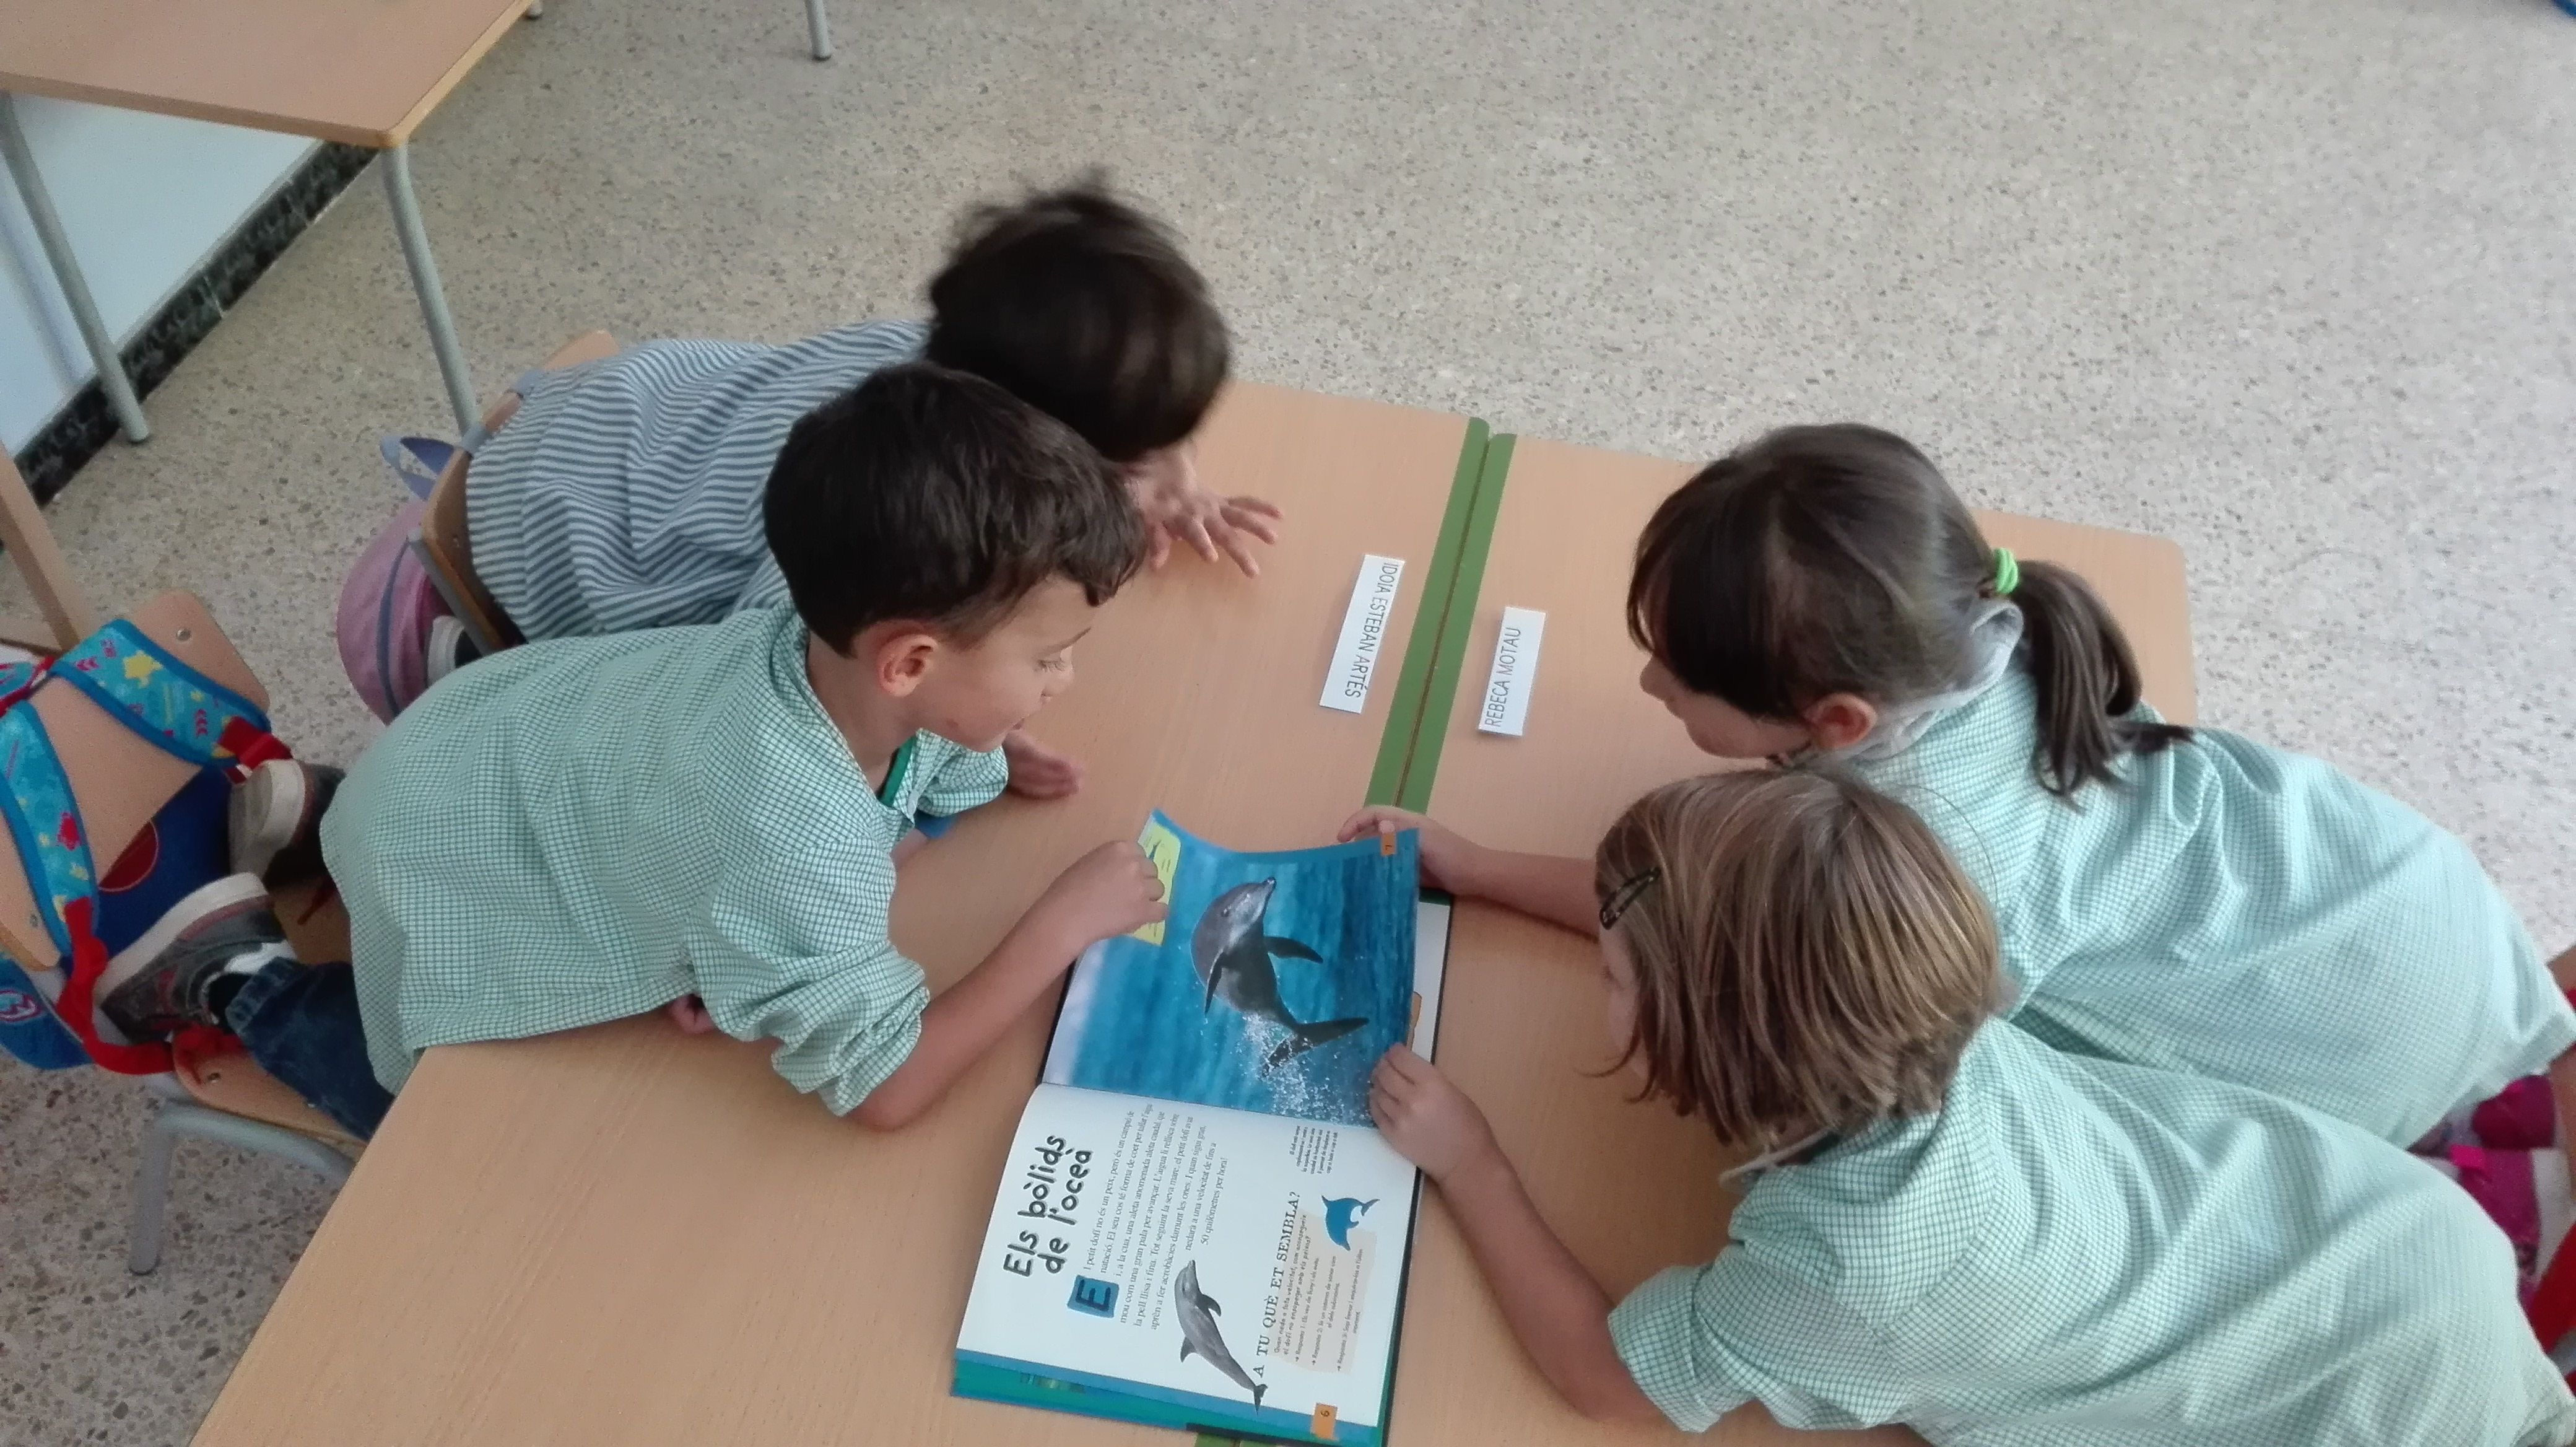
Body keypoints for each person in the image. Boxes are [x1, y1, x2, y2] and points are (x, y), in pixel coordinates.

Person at [1349, 422, 2573, 1157]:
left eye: (1680, 675)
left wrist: (1483, 870)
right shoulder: (1976, 624)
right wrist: (1470, 863)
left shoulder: (1900, 859)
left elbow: (1686, 927)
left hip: (2377, 1081)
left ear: (1837, 723)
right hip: (2424, 918)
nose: (1648, 681)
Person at [97, 363, 1167, 1137]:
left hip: (472, 758)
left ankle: (318, 812)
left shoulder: (815, 651)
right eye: (1049, 657)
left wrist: (982, 746)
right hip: (444, 856)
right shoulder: (783, 828)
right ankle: (237, 976)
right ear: (911, 662)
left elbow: (818, 824)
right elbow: (884, 1089)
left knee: (440, 834)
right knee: (427, 1121)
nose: (1062, 683)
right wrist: (1057, 928)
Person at [1365, 770, 2576, 1444]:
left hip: (2377, 1411)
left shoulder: (1845, 1261)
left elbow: (1605, 1381)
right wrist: (1474, 869)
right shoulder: (1911, 981)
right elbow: (1684, 919)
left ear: (1716, 1038)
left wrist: (1472, 1163)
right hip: (2404, 1251)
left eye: (1615, 978)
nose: (1602, 975)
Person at [466, 175, 1279, 796]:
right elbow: (771, 711)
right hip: (552, 532)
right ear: (1022, 456)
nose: (1171, 480)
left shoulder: (972, 354)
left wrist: (1172, 477)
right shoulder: (865, 541)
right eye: (1132, 469)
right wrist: (960, 727)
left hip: (626, 408)